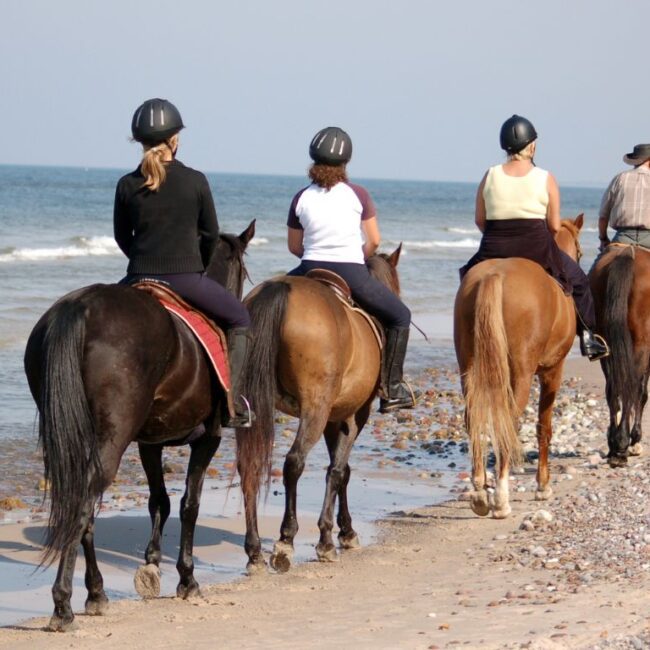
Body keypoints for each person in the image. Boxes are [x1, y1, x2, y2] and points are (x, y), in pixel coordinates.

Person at [113, 98, 253, 427]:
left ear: (140, 143)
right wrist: (198, 269)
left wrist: (142, 263)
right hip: (185, 278)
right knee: (241, 317)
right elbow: (210, 233)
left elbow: (122, 237)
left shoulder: (127, 184)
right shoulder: (195, 180)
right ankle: (231, 405)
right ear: (175, 139)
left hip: (136, 278)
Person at [286, 126, 419, 413]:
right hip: (351, 270)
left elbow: (294, 246)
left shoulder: (301, 197)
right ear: (345, 163)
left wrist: (312, 255)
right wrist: (356, 256)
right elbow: (374, 240)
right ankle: (391, 389)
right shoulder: (358, 194)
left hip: (308, 267)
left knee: (265, 305)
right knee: (400, 316)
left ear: (313, 162)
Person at [460, 114, 608, 361]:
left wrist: (500, 236)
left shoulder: (490, 175)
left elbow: (479, 219)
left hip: (493, 245)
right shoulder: (545, 178)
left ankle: (465, 333)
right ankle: (589, 338)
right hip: (535, 246)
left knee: (467, 280)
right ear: (532, 145)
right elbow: (552, 224)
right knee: (580, 281)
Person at [598, 143, 650, 251]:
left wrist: (603, 239)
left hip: (623, 238)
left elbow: (603, 217)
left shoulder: (620, 178)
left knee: (597, 266)